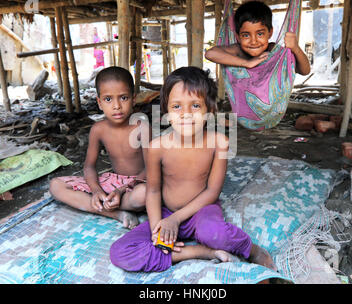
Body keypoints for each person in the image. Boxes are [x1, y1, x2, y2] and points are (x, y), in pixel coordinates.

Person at [109, 66, 277, 273]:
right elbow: (152, 191)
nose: (186, 114)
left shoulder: (219, 143)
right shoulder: (156, 147)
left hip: (201, 212)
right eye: (177, 106)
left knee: (216, 234)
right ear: (166, 110)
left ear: (210, 109)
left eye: (196, 105)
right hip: (165, 212)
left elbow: (212, 192)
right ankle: (202, 252)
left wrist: (176, 220)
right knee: (121, 252)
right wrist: (158, 228)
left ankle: (251, 250)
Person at [49, 66, 150, 229]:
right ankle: (115, 212)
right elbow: (89, 166)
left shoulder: (141, 127)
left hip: (136, 184)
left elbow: (151, 168)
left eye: (123, 98)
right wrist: (96, 190)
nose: (116, 106)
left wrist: (121, 191)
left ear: (134, 98)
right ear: (99, 102)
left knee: (144, 194)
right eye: (108, 99)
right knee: (56, 185)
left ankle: (106, 204)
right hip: (112, 183)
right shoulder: (98, 129)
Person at [205, 0, 310, 75]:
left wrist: (295, 48)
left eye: (260, 34)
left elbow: (304, 71)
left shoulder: (273, 50)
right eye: (246, 35)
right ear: (237, 36)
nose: (253, 41)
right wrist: (247, 63)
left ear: (270, 33)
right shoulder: (238, 50)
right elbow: (210, 54)